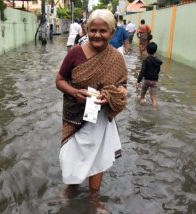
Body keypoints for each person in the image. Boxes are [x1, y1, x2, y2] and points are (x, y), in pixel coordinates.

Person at [56, 9, 127, 198]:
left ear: (112, 32)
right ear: (87, 30)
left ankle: (94, 198)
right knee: (70, 156)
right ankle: (71, 189)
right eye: (93, 30)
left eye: (103, 31)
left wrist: (112, 95)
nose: (97, 35)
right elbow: (60, 80)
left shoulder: (117, 58)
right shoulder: (75, 53)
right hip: (74, 117)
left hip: (101, 119)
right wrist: (75, 92)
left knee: (98, 156)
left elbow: (123, 86)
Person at [137, 42, 162, 110]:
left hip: (146, 80)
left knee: (142, 95)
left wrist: (138, 81)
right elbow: (158, 71)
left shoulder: (146, 60)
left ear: (147, 50)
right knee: (154, 97)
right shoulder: (158, 62)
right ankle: (155, 110)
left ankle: (141, 108)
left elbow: (142, 72)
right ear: (155, 51)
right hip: (154, 81)